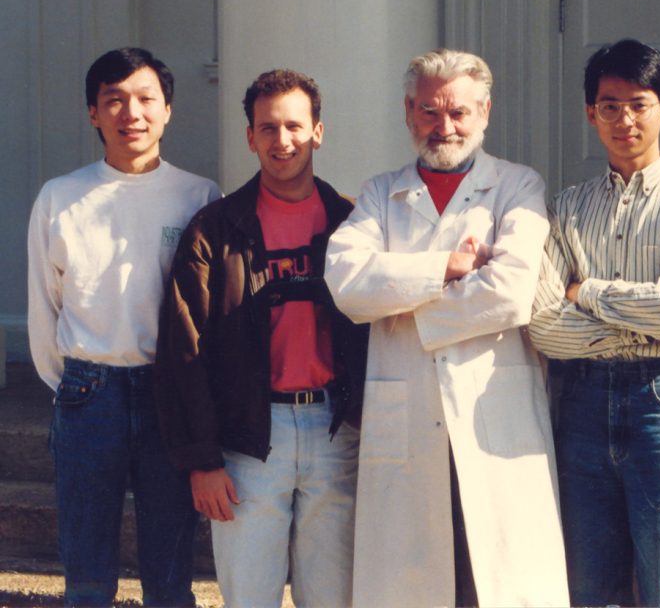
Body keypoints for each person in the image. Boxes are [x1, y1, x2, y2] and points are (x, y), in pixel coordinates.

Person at [324, 49, 569, 608]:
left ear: (485, 111)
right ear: (409, 111)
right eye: (430, 112)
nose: (445, 127)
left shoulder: (516, 185)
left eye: (458, 112)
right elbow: (346, 285)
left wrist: (403, 303)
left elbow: (510, 294)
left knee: (500, 577)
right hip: (406, 411)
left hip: (492, 408)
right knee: (412, 578)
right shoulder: (378, 194)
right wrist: (449, 268)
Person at [529, 38, 660, 608]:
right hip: (580, 406)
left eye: (639, 104)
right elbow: (545, 324)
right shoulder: (569, 208)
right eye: (609, 105)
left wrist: (587, 292)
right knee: (587, 587)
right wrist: (654, 310)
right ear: (590, 113)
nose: (624, 119)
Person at [155, 69, 367, 608]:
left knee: (334, 597)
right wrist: (203, 459)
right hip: (248, 437)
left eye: (295, 126)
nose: (282, 141)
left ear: (318, 131)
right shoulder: (215, 229)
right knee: (250, 597)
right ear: (250, 136)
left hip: (334, 431)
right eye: (267, 128)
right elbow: (185, 349)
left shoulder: (354, 223)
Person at [27, 47, 221, 606]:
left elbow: (206, 312)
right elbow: (45, 308)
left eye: (144, 99)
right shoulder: (60, 198)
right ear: (93, 112)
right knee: (86, 571)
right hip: (89, 394)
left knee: (169, 569)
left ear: (167, 110)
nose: (130, 113)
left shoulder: (198, 196)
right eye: (114, 100)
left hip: (170, 394)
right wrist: (71, 383)